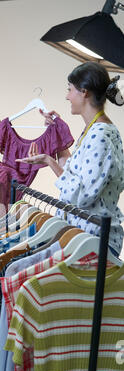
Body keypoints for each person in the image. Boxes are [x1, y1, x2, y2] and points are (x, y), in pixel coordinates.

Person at [16, 61, 124, 256]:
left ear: (84, 92)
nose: (67, 96)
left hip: (94, 243)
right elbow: (75, 176)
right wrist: (58, 131)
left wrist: (50, 161)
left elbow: (81, 196)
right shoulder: (94, 130)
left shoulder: (101, 135)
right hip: (82, 237)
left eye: (70, 89)